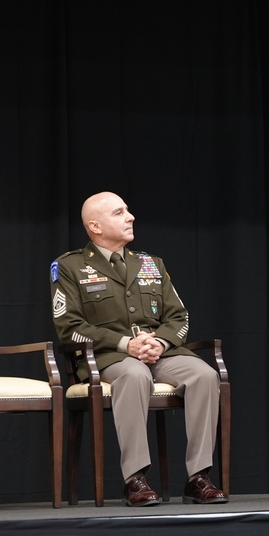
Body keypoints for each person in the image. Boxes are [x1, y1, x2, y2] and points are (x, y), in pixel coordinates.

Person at [50, 191, 227, 506]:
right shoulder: (70, 266)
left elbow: (179, 317)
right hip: (108, 357)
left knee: (205, 375)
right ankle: (136, 480)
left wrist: (158, 342)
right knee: (134, 376)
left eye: (127, 211)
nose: (130, 217)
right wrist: (125, 344)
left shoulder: (150, 263)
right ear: (95, 226)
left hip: (160, 352)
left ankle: (198, 477)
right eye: (119, 213)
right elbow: (70, 327)